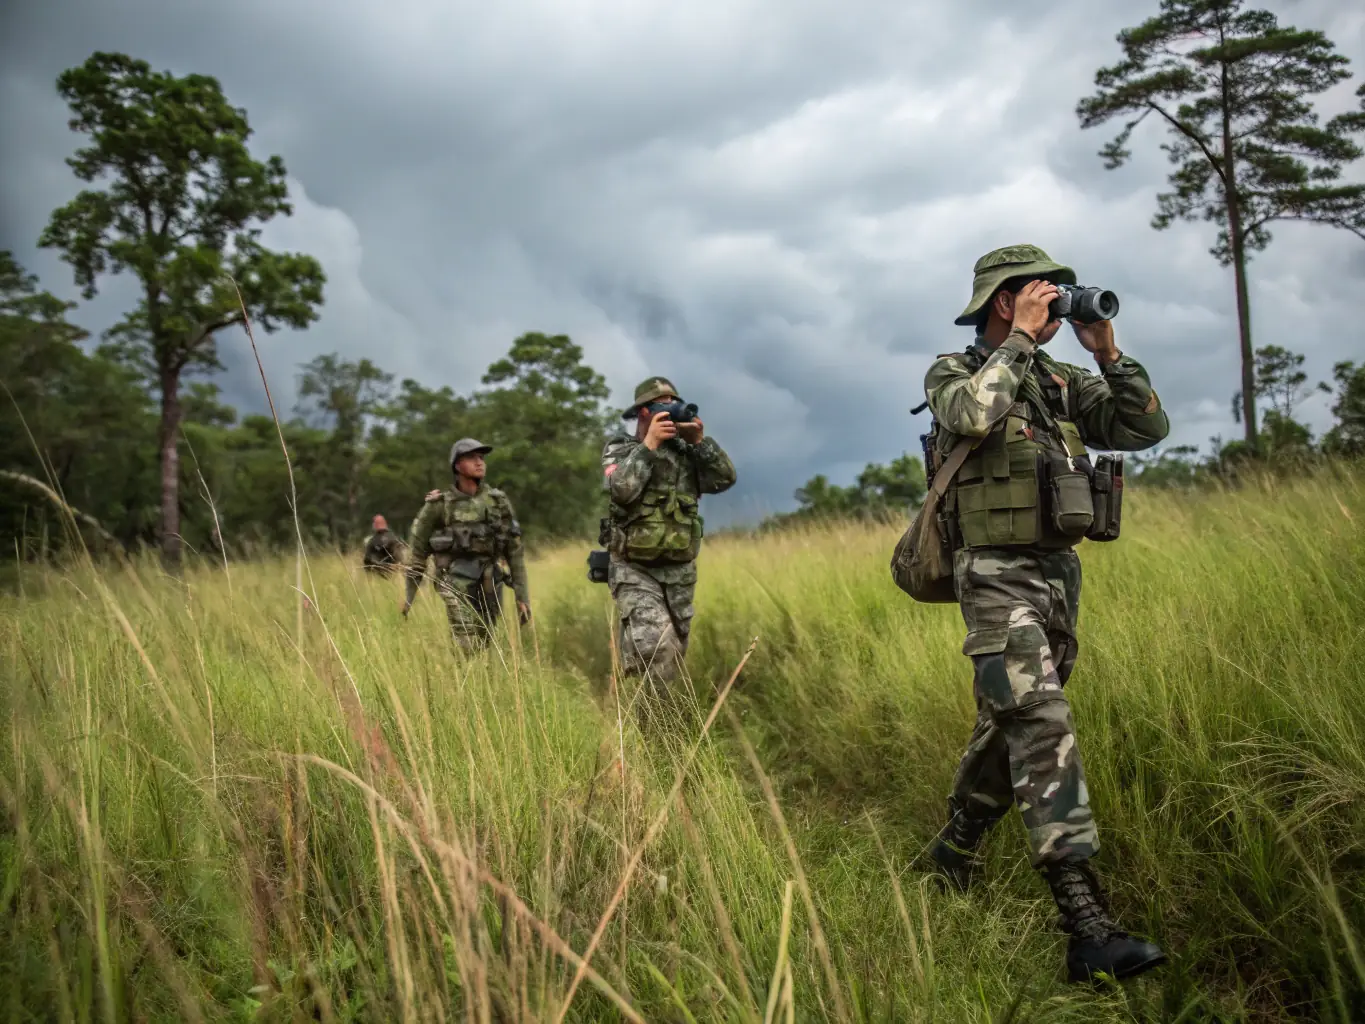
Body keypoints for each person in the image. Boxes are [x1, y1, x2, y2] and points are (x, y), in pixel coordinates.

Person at [923, 244, 1169, 984]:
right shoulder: (954, 370)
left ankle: (953, 848)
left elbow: (1140, 429)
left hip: (1058, 575)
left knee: (1014, 720)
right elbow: (970, 415)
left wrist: (1108, 352)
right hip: (992, 573)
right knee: (1040, 719)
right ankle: (1085, 924)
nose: (1057, 304)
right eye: (1042, 293)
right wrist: (1022, 342)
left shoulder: (1060, 381)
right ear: (1005, 301)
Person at [601, 377, 736, 697]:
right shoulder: (622, 449)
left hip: (680, 572)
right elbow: (620, 489)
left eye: (673, 403)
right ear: (643, 413)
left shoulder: (687, 454)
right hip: (635, 569)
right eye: (662, 405)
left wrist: (701, 442)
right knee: (657, 649)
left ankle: (650, 733)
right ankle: (650, 735)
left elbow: (725, 479)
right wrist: (649, 447)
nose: (670, 410)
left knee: (672, 656)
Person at [401, 438, 530, 650]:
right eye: (471, 458)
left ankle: (477, 680)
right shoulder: (439, 505)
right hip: (454, 582)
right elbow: (417, 552)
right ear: (457, 466)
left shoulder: (498, 502)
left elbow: (514, 552)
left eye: (481, 458)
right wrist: (408, 597)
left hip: (490, 581)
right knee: (465, 641)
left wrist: (522, 597)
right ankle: (462, 676)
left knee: (485, 639)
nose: (479, 462)